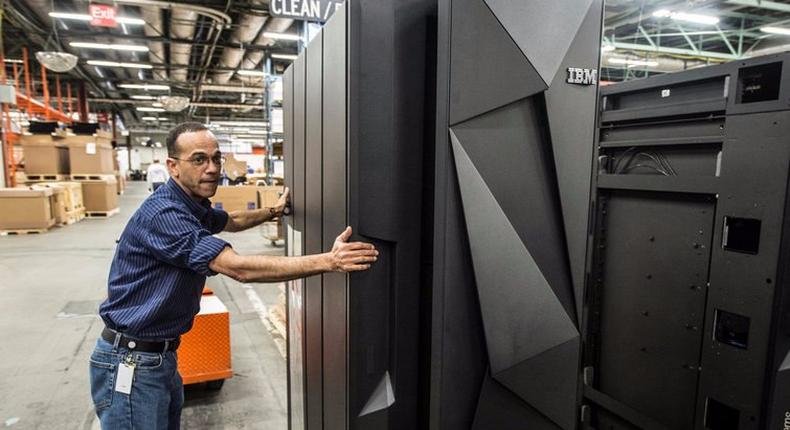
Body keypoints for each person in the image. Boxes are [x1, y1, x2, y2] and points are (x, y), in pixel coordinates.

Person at [89, 122, 378, 429]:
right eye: (199, 160)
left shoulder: (191, 205)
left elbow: (231, 220)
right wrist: (330, 261)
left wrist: (273, 211)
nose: (212, 168)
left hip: (158, 357)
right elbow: (238, 268)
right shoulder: (166, 214)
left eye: (216, 159)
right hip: (132, 363)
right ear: (172, 167)